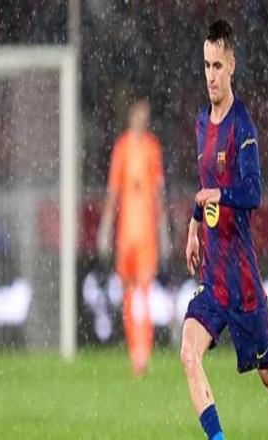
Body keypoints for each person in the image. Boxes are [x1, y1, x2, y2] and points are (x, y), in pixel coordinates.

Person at [180, 20, 268, 440]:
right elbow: (205, 186)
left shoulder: (243, 127)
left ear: (232, 65)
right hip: (213, 278)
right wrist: (194, 226)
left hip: (242, 284)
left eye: (218, 65)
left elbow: (253, 193)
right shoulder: (201, 121)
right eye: (206, 66)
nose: (211, 75)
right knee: (189, 354)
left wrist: (217, 196)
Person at [97, 98, 168, 377]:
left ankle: (142, 353)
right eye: (138, 114)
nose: (142, 119)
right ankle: (134, 350)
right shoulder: (122, 148)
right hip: (126, 233)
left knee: (144, 293)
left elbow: (159, 192)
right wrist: (105, 228)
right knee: (128, 293)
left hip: (146, 234)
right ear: (131, 116)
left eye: (145, 115)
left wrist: (163, 230)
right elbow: (113, 190)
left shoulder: (152, 148)